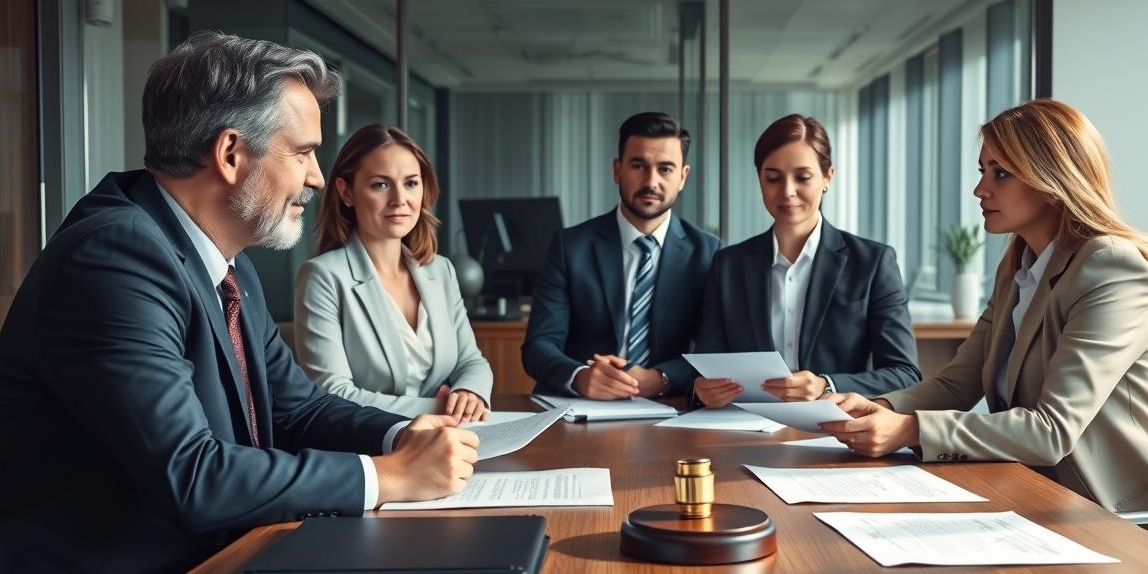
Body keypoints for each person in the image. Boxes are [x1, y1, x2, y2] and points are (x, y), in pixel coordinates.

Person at [0, 33, 479, 574]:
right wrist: (390, 477)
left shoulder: (224, 262)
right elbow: (192, 474)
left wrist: (402, 435)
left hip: (207, 571)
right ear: (230, 154)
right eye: (303, 152)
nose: (317, 177)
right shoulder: (114, 257)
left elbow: (297, 410)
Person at [819, 99, 1148, 547]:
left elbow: (1051, 432)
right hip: (1037, 497)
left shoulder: (1111, 267)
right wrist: (881, 408)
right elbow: (956, 385)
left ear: (1052, 180)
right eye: (982, 171)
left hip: (1121, 522)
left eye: (1000, 173)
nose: (979, 190)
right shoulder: (1019, 268)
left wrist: (910, 430)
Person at [694, 114, 921, 408]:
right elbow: (705, 367)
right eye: (773, 178)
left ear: (827, 177)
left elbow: (905, 374)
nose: (787, 191)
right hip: (745, 425)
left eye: (802, 177)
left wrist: (827, 385)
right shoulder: (728, 266)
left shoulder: (872, 263)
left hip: (833, 426)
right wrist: (701, 390)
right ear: (760, 180)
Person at [294, 124, 493, 421]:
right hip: (371, 442)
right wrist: (438, 409)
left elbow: (471, 361)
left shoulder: (440, 270)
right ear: (346, 192)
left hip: (448, 435)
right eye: (380, 185)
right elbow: (332, 393)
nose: (400, 199)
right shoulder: (322, 277)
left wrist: (469, 393)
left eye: (411, 183)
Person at [522, 112, 720, 399]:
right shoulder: (570, 246)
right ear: (617, 170)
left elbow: (714, 350)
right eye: (638, 166)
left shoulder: (710, 253)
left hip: (672, 407)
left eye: (665, 169)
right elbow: (538, 345)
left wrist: (662, 378)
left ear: (682, 177)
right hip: (583, 407)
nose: (651, 181)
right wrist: (579, 377)